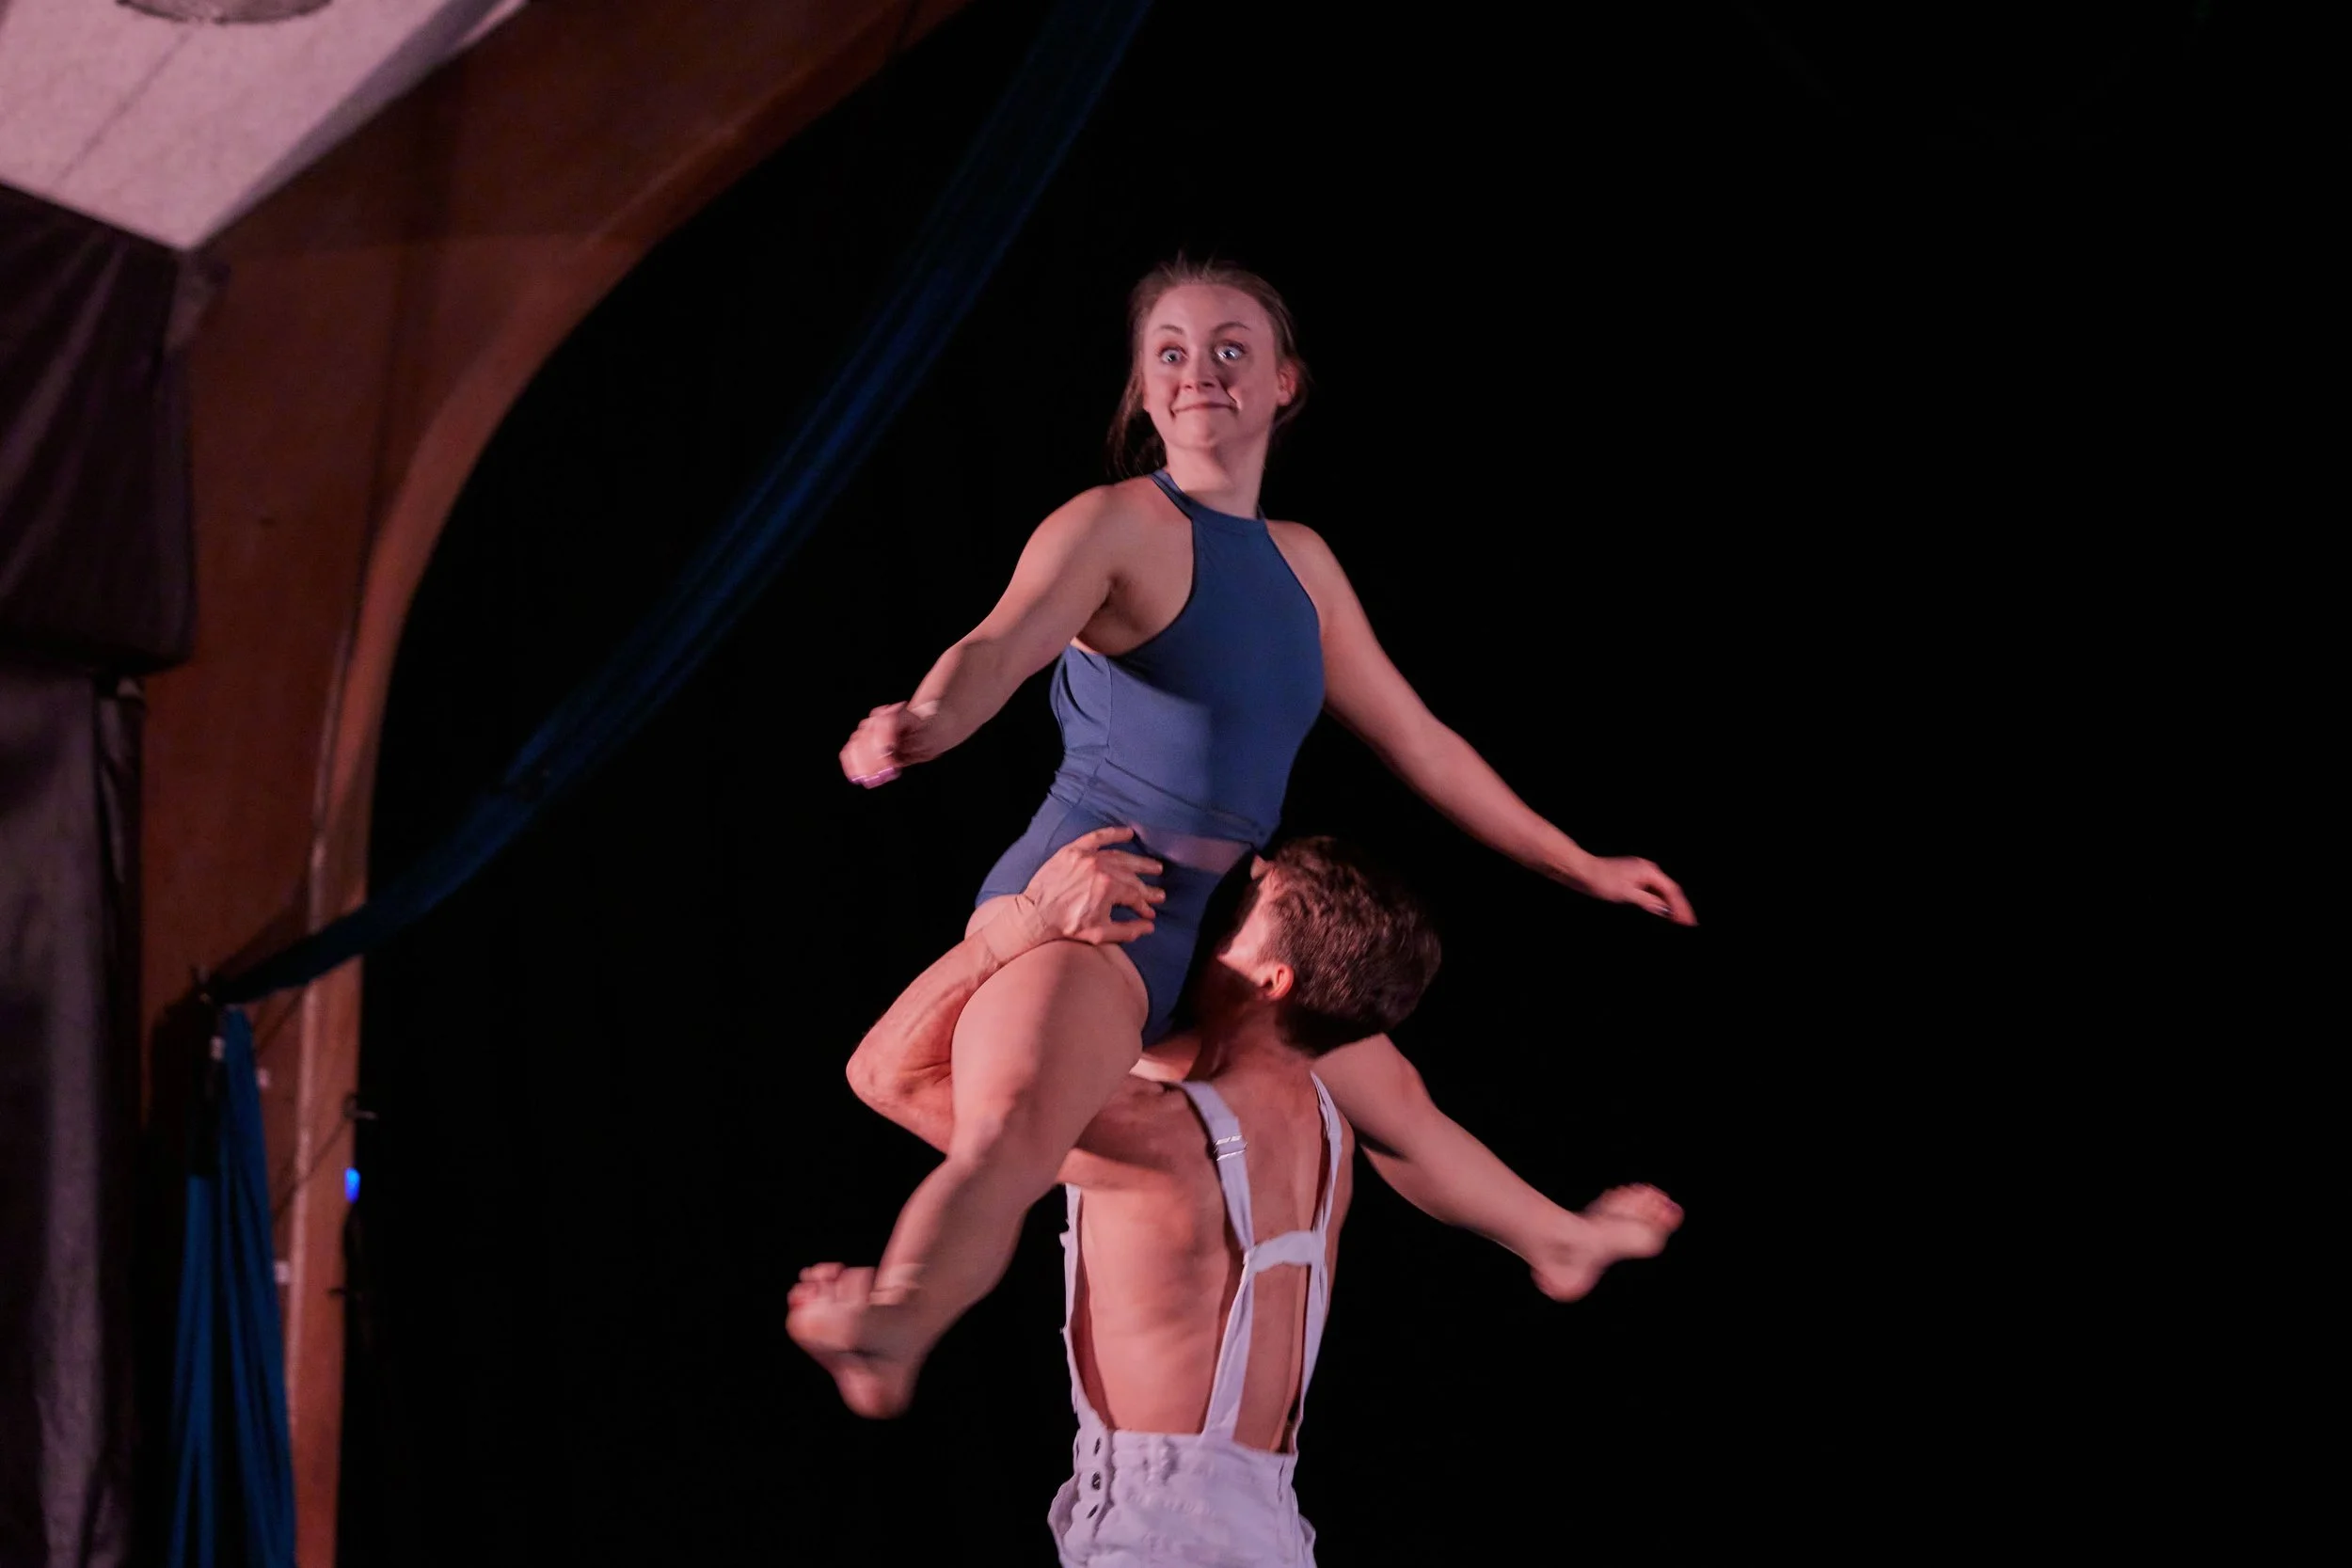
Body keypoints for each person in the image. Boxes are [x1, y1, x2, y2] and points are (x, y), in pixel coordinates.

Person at [827, 259, 1695, 1414]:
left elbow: (1421, 741)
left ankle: (1556, 1241)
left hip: (1227, 930)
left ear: (1284, 381)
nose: (1201, 372)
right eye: (1171, 352)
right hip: (1096, 903)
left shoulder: (1301, 562)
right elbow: (1001, 641)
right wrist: (929, 718)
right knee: (1013, 1131)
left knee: (1394, 1100)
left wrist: (1573, 859)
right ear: (1142, 390)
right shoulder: (1116, 524)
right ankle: (895, 1323)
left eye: (1231, 347)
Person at [788, 830, 1680, 1563]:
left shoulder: (1158, 1139)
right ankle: (1558, 1239)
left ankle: (902, 1323)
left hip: (1167, 1538)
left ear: (1273, 980)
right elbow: (1391, 1103)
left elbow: (885, 1074)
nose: (1213, 925)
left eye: (1243, 916)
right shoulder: (1330, 1111)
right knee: (1406, 1109)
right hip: (1260, 1525)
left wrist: (1016, 931)